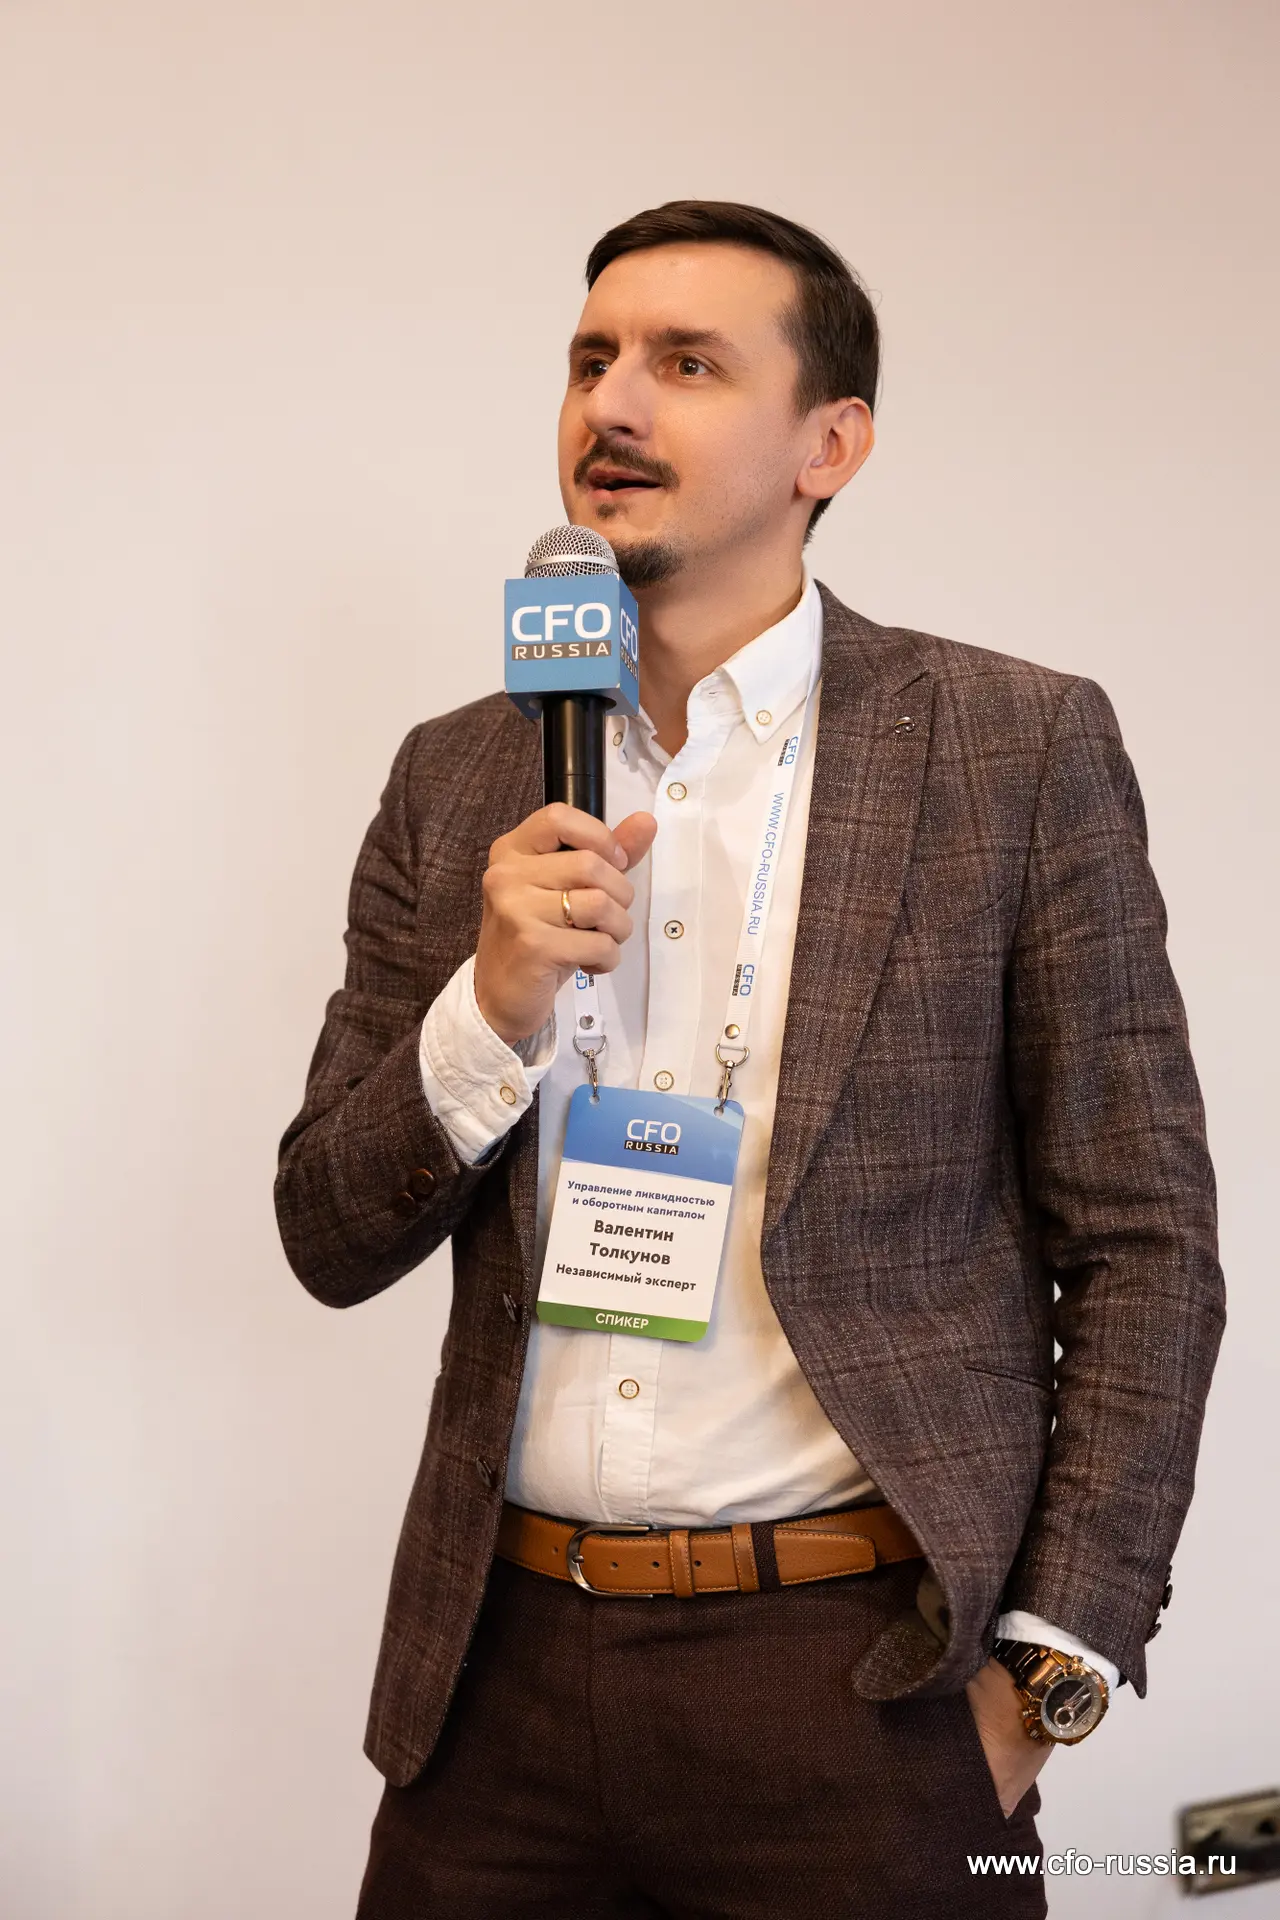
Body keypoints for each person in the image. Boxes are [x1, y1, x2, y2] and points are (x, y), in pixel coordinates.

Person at [274, 200, 1225, 1918]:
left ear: (828, 445)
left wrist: (1048, 1677)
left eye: (688, 364)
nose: (613, 404)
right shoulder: (455, 774)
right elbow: (327, 1233)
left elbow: (1144, 1240)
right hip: (496, 1684)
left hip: (863, 1685)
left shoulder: (1010, 748)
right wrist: (487, 1010)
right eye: (591, 361)